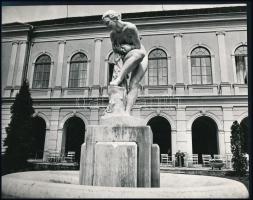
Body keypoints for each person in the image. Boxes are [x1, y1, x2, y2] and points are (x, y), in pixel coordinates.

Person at [102, 10, 148, 115]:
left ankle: (127, 112)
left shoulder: (131, 28)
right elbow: (115, 49)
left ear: (115, 18)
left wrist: (127, 47)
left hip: (139, 54)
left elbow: (137, 46)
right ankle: (120, 79)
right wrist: (120, 50)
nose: (107, 26)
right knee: (126, 83)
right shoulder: (113, 34)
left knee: (134, 83)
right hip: (125, 57)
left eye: (108, 22)